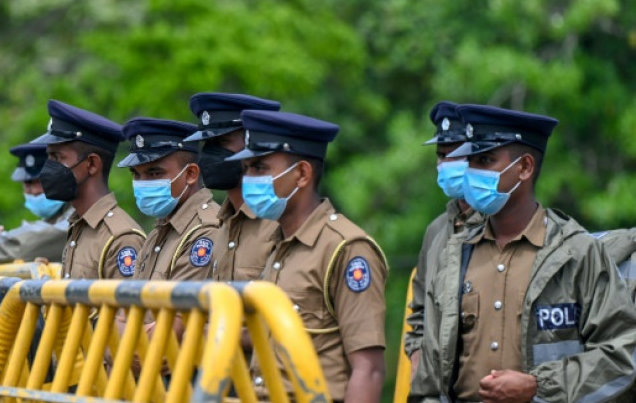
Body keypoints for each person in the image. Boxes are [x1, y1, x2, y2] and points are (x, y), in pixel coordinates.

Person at [410, 104, 636, 403]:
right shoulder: (455, 253)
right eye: (471, 161)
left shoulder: (577, 254)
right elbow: (430, 376)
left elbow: (622, 357)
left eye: (485, 160)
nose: (471, 172)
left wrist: (536, 387)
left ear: (525, 168)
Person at [227, 110, 387, 403]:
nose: (249, 179)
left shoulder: (345, 248)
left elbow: (369, 369)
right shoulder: (276, 244)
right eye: (247, 168)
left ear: (302, 174)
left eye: (260, 168)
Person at [405, 101, 484, 376]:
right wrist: (417, 359)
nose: (446, 164)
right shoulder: (436, 231)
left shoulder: (502, 224)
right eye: (441, 155)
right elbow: (418, 313)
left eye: (457, 155)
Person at [31, 100, 145, 279]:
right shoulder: (78, 225)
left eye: (57, 158)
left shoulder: (121, 238)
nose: (48, 168)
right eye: (49, 157)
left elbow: (128, 307)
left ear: (91, 164)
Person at [183, 92, 281, 282]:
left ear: (252, 144)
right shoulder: (223, 226)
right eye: (207, 144)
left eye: (221, 142)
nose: (209, 154)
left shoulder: (277, 225)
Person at [119, 117, 220, 282]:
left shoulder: (206, 231)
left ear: (190, 174)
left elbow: (180, 306)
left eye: (154, 173)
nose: (142, 183)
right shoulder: (160, 231)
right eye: (136, 174)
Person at [0, 143, 74, 266]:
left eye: (42, 181)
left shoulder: (77, 215)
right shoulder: (53, 219)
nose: (34, 190)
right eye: (27, 183)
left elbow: (25, 246)